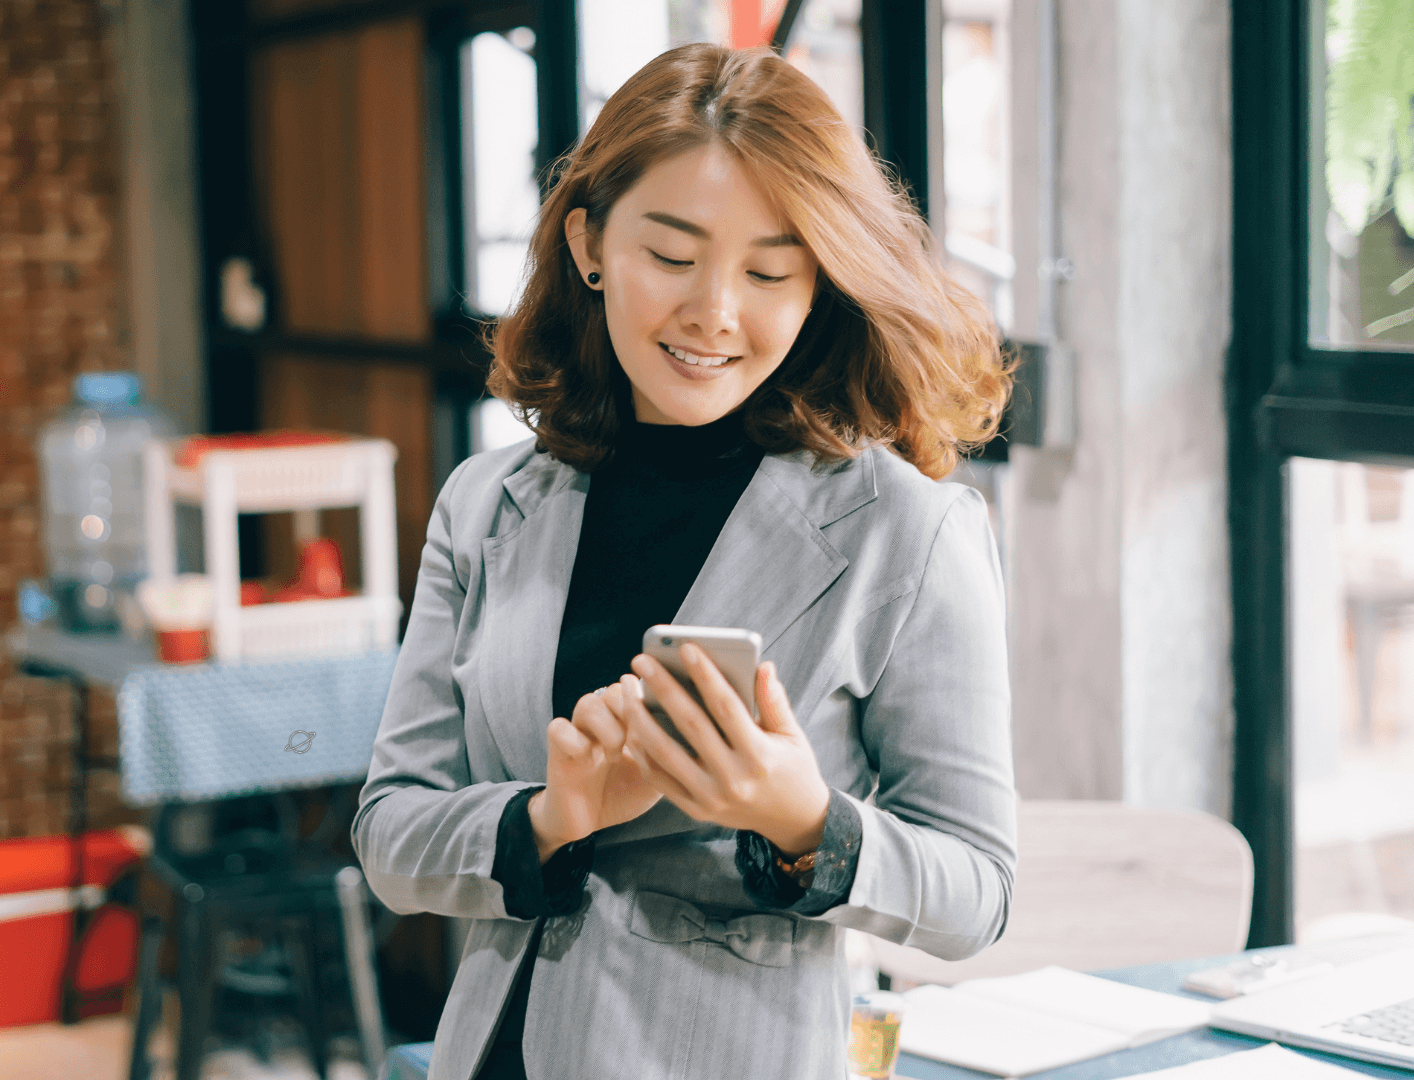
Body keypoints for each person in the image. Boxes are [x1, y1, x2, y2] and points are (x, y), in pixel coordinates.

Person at [351, 43, 1017, 1080]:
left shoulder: (909, 532)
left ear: (820, 282)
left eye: (767, 271)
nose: (715, 310)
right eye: (671, 255)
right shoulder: (486, 507)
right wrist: (548, 819)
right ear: (589, 245)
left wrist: (804, 821)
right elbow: (390, 834)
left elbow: (976, 890)